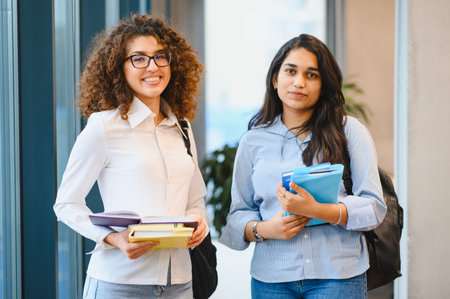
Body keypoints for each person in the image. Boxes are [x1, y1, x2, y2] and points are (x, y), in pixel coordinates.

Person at [219, 34, 387, 299]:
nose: (299, 82)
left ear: (323, 84)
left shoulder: (350, 132)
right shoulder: (253, 141)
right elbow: (237, 215)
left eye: (312, 75)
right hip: (272, 279)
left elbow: (374, 207)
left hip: (338, 276)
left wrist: (319, 210)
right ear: (275, 79)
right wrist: (264, 229)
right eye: (291, 71)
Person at [53, 14, 208, 298]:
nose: (153, 66)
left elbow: (195, 201)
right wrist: (113, 238)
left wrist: (199, 222)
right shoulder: (103, 127)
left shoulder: (182, 128)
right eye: (139, 58)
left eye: (161, 56)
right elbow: (65, 204)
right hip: (120, 282)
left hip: (179, 283)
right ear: (119, 68)